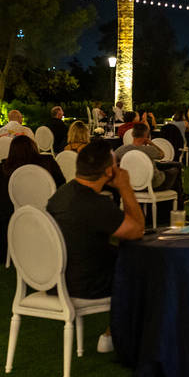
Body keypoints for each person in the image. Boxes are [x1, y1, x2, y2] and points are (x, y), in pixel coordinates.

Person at [46, 141, 144, 352]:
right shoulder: (94, 205)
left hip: (55, 279)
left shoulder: (60, 195)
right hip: (85, 283)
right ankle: (121, 335)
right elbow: (136, 230)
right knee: (145, 266)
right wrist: (125, 187)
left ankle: (116, 331)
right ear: (109, 171)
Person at [114, 122, 181, 199]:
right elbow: (162, 154)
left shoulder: (121, 150)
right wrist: (151, 143)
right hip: (153, 184)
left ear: (132, 134)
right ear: (146, 135)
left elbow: (114, 161)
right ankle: (177, 204)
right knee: (175, 170)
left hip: (131, 184)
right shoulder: (150, 150)